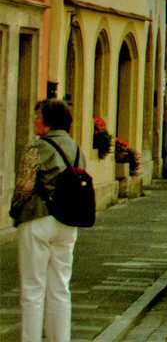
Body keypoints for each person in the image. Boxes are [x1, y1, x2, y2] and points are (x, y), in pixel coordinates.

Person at [10, 100, 80, 342]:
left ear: (48, 120)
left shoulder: (36, 148)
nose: (34, 120)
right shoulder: (75, 147)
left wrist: (15, 211)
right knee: (60, 287)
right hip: (67, 220)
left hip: (37, 218)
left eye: (37, 116)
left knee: (32, 289)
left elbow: (24, 187)